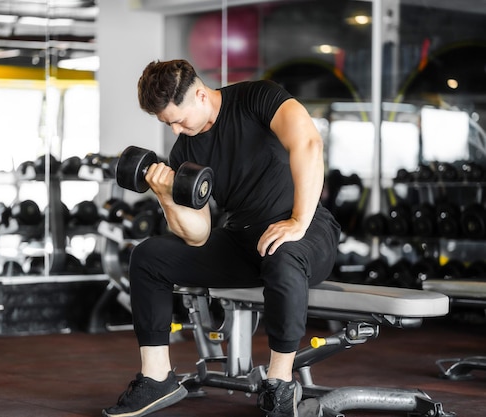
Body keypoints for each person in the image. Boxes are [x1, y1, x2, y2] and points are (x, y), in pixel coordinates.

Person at [103, 59, 341, 417]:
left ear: (200, 95)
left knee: (283, 253)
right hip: (243, 238)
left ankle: (280, 384)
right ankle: (156, 378)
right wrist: (165, 195)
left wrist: (297, 221)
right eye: (168, 125)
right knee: (148, 256)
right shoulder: (186, 149)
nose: (177, 132)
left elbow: (308, 143)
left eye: (179, 120)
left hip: (308, 231)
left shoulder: (258, 97)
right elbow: (198, 235)